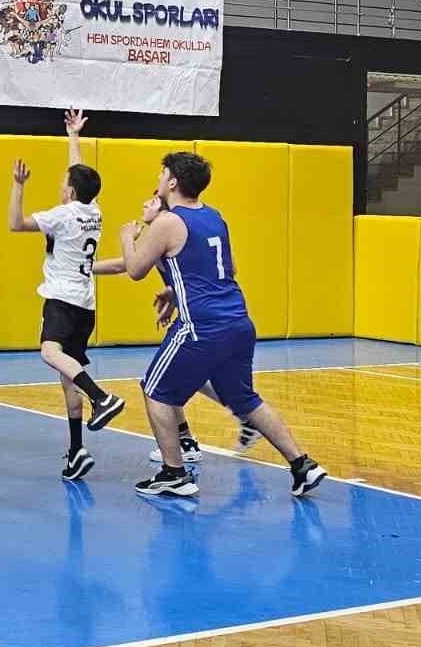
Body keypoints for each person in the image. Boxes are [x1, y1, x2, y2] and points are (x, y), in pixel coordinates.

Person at [116, 150, 325, 499]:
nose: (158, 180)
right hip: (238, 322)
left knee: (155, 389)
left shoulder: (168, 222)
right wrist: (175, 290)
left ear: (172, 182)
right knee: (245, 399)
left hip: (201, 325)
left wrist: (126, 236)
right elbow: (228, 270)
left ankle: (174, 473)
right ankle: (302, 464)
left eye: (162, 174)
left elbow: (135, 269)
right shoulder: (214, 217)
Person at [7, 109, 126, 481]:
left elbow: (15, 224)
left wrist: (18, 185)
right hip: (86, 303)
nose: (61, 185)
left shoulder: (61, 215)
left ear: (71, 191)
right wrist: (74, 136)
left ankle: (101, 397)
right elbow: (78, 171)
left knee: (49, 352)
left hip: (62, 298)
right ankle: (76, 451)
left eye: (64, 182)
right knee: (66, 373)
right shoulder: (94, 211)